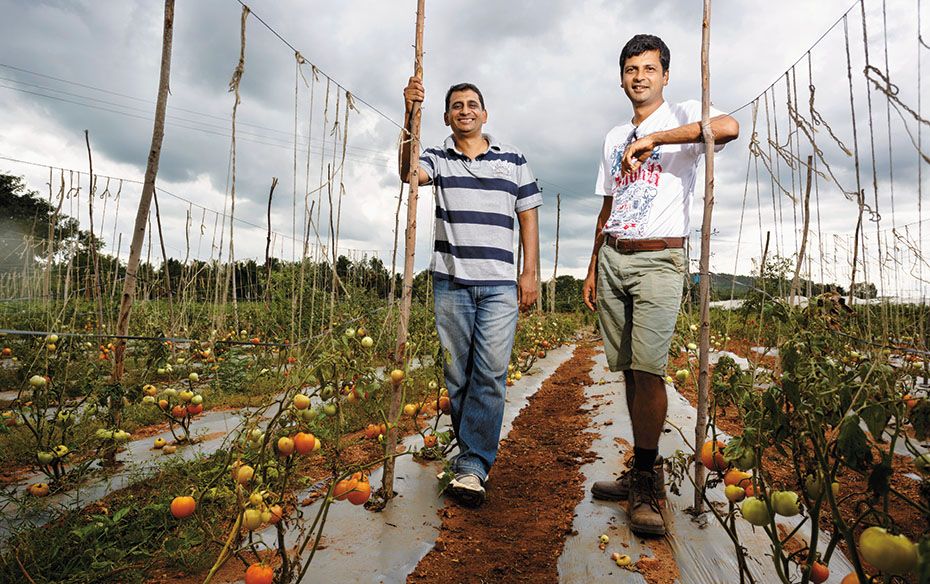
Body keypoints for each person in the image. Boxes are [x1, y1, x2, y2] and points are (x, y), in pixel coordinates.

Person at [582, 34, 739, 535]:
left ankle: (648, 480)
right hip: (613, 256)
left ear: (665, 75)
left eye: (649, 68)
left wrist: (657, 139)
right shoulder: (611, 137)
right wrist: (591, 266)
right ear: (621, 76)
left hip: (660, 258)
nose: (639, 77)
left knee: (649, 369)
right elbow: (608, 205)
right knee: (628, 370)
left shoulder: (683, 115)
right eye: (631, 69)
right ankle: (639, 471)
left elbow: (730, 127)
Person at [399, 76, 542, 506]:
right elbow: (408, 173)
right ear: (446, 116)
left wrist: (529, 272)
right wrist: (409, 113)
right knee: (458, 375)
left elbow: (528, 216)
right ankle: (470, 458)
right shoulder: (437, 157)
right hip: (451, 281)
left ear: (484, 113)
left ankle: (475, 463)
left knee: (491, 373)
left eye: (472, 104)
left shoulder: (513, 161)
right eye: (456, 105)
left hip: (499, 283)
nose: (465, 110)